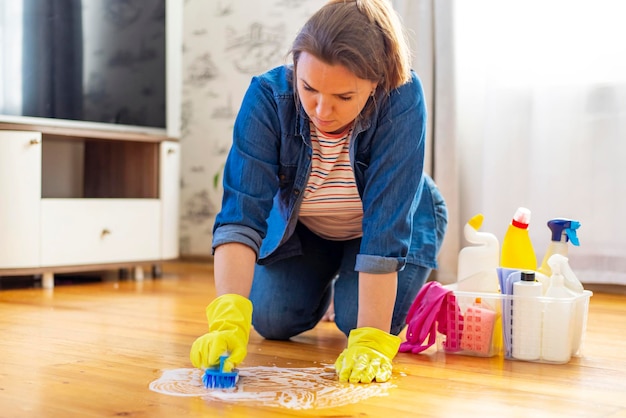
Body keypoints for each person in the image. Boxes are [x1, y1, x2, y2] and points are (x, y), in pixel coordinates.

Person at [190, 0, 448, 384]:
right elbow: (241, 214)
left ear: (376, 84)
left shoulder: (402, 97)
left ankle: (395, 275)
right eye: (308, 87)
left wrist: (371, 344)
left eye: (344, 97)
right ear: (296, 65)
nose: (321, 110)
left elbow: (386, 227)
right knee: (272, 319)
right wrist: (227, 318)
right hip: (310, 230)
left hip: (389, 227)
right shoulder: (266, 98)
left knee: (354, 321)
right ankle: (334, 275)